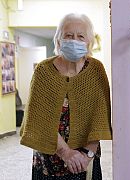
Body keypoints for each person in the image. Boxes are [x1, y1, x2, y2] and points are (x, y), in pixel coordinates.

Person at [20, 13, 112, 180]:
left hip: (86, 159)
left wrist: (88, 155)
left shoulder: (96, 70)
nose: (74, 40)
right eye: (68, 36)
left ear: (89, 41)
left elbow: (101, 118)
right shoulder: (44, 71)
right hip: (50, 158)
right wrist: (66, 153)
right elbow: (38, 118)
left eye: (80, 36)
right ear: (58, 40)